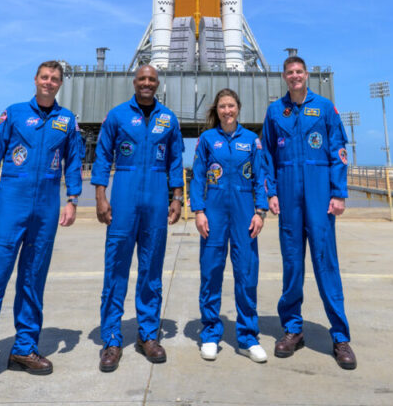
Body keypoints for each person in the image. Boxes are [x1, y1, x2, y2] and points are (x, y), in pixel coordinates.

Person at [0, 61, 84, 405]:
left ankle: (24, 349)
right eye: (45, 77)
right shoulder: (13, 114)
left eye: (55, 79)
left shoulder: (67, 121)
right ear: (36, 80)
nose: (49, 82)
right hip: (10, 204)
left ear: (60, 84)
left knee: (33, 280)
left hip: (46, 208)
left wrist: (72, 199)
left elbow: (74, 161)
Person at [260, 55, 357, 370]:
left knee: (326, 265)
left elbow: (337, 150)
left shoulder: (325, 108)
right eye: (289, 72)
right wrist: (271, 193)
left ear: (307, 75)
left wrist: (338, 193)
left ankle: (340, 337)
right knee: (292, 265)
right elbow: (267, 157)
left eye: (299, 71)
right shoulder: (275, 111)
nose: (295, 76)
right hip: (288, 196)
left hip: (319, 196)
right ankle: (292, 329)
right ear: (284, 77)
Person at [91, 64, 184, 372]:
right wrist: (100, 196)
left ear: (158, 84)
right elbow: (103, 156)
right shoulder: (117, 116)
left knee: (151, 270)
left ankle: (148, 335)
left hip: (156, 199)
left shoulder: (168, 119)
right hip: (124, 197)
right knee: (115, 268)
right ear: (135, 82)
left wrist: (177, 197)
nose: (147, 83)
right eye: (142, 78)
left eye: (152, 80)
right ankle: (112, 339)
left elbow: (174, 160)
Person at [190, 88, 270, 363]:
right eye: (223, 106)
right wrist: (198, 211)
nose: (227, 111)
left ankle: (248, 337)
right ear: (217, 109)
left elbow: (261, 178)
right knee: (211, 271)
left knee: (246, 273)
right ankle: (211, 333)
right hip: (213, 211)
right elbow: (198, 177)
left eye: (231, 106)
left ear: (239, 108)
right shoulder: (207, 140)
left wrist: (260, 212)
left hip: (244, 211)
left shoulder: (252, 140)